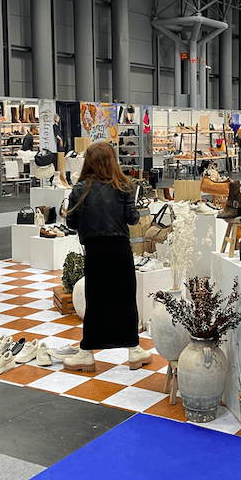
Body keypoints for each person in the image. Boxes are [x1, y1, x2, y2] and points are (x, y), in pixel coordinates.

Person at [62, 142, 152, 372]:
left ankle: (86, 353)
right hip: (120, 249)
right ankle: (133, 350)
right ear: (113, 160)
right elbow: (132, 220)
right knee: (125, 298)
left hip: (94, 251)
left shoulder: (80, 188)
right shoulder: (124, 186)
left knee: (96, 300)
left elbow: (71, 224)